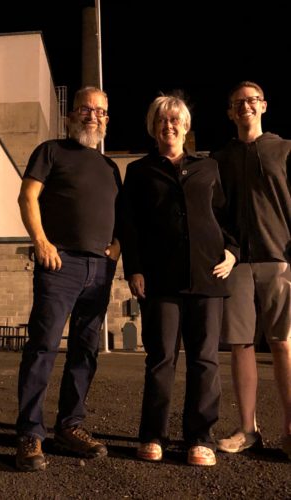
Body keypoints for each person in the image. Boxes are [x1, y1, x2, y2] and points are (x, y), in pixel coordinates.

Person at [120, 94, 238, 466]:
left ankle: (199, 437)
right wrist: (134, 268)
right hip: (160, 280)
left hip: (207, 276)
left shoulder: (209, 168)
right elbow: (130, 225)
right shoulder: (139, 171)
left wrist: (233, 252)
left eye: (175, 121)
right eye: (162, 121)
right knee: (161, 358)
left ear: (186, 127)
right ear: (154, 128)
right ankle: (153, 433)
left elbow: (227, 217)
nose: (168, 126)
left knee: (205, 360)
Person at [15, 86, 121, 472]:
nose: (92, 116)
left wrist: (116, 251)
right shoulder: (51, 150)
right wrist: (41, 242)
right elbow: (27, 197)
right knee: (43, 346)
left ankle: (69, 426)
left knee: (85, 350)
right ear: (71, 115)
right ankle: (30, 431)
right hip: (60, 263)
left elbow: (120, 216)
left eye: (100, 112)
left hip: (99, 268)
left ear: (107, 120)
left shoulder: (109, 167)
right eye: (85, 109)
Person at [212, 82, 291, 460]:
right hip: (237, 262)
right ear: (230, 111)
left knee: (283, 344)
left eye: (251, 100)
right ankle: (247, 430)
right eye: (237, 102)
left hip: (280, 259)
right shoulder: (220, 157)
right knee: (241, 344)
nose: (245, 106)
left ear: (263, 106)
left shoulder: (284, 149)